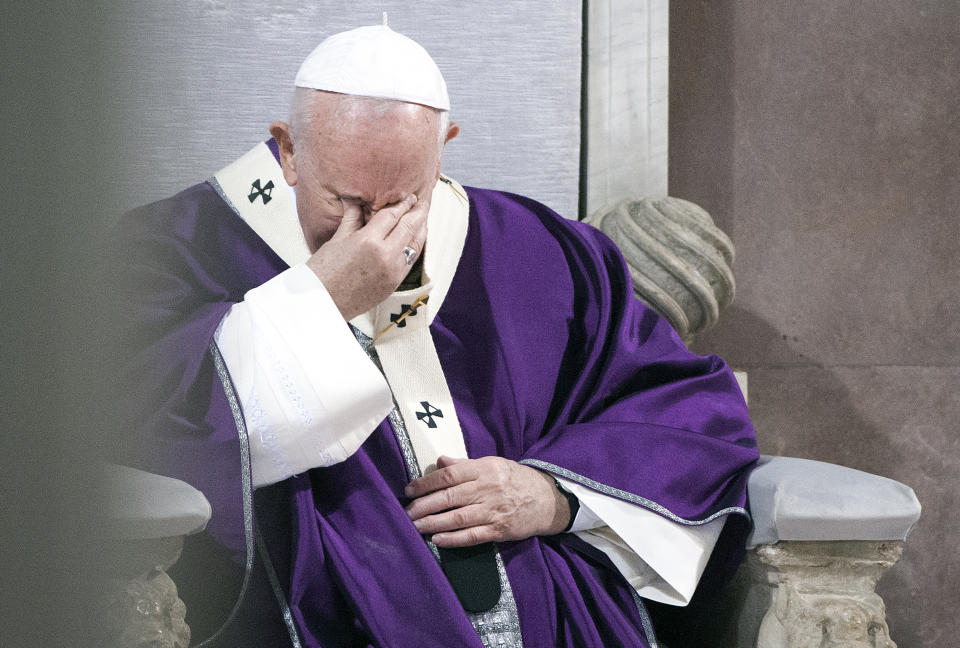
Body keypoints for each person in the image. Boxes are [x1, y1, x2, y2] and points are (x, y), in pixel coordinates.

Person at [108, 23, 758, 648]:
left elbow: (684, 412)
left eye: (403, 200)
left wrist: (556, 495)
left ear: (445, 140)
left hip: (540, 616)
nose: (373, 232)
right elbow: (133, 416)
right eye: (345, 202)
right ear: (287, 148)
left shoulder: (542, 251)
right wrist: (322, 299)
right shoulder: (175, 252)